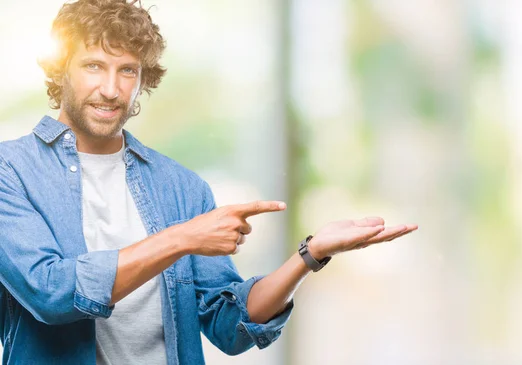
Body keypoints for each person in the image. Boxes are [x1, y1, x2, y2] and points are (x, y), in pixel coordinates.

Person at [0, 0, 418, 364]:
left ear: (143, 79)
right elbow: (51, 292)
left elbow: (229, 326)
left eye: (127, 70)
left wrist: (309, 256)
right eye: (94, 66)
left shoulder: (180, 188)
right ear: (61, 70)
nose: (111, 89)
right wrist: (182, 238)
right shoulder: (12, 170)